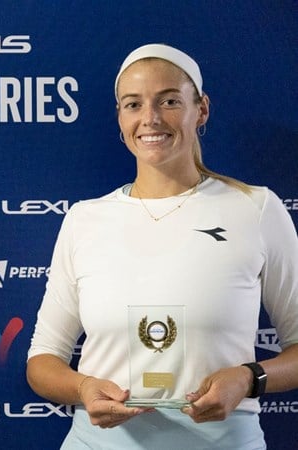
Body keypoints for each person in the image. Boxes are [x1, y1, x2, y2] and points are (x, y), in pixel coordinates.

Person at [26, 43, 298, 449]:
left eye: (169, 101)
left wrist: (248, 378)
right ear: (120, 117)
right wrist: (83, 388)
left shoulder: (255, 208)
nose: (150, 119)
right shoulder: (85, 220)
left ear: (200, 109)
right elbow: (43, 361)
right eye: (133, 104)